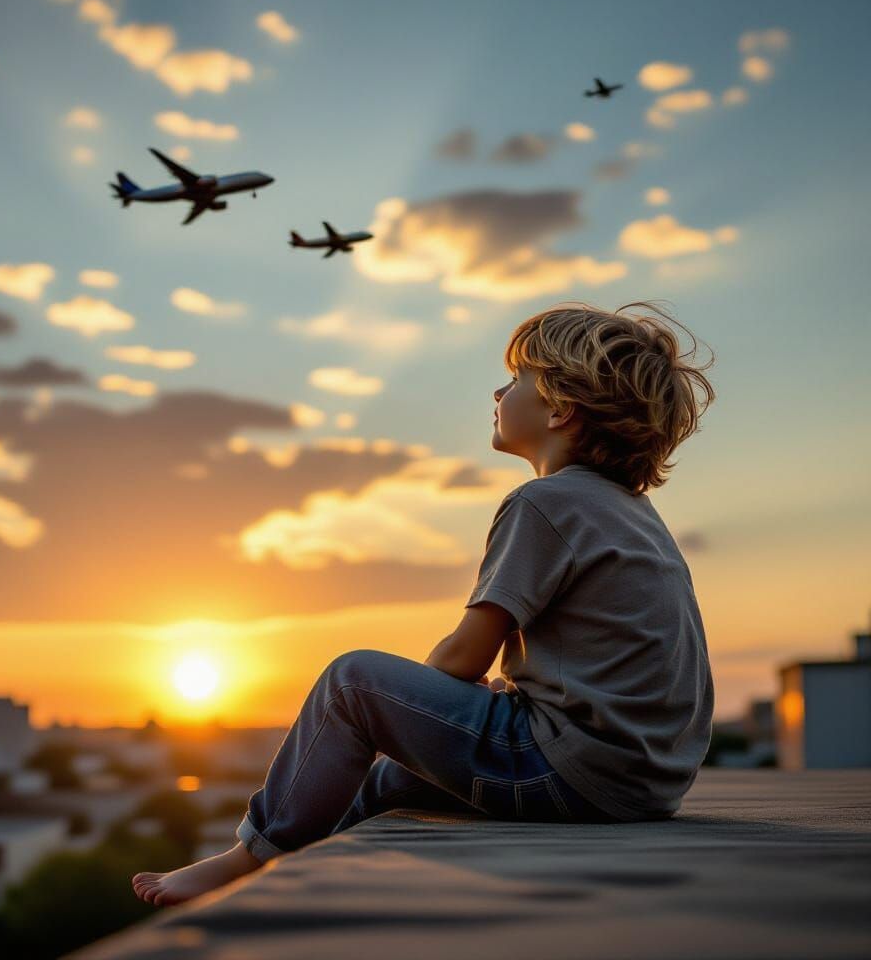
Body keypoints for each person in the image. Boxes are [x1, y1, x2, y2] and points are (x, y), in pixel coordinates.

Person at [132, 299, 716, 907]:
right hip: (643, 785)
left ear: (561, 408)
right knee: (387, 781)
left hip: (568, 773)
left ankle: (250, 857)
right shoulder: (635, 515)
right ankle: (298, 866)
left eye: (517, 378)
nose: (499, 389)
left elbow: (466, 656)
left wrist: (416, 704)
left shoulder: (546, 503)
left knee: (354, 683)